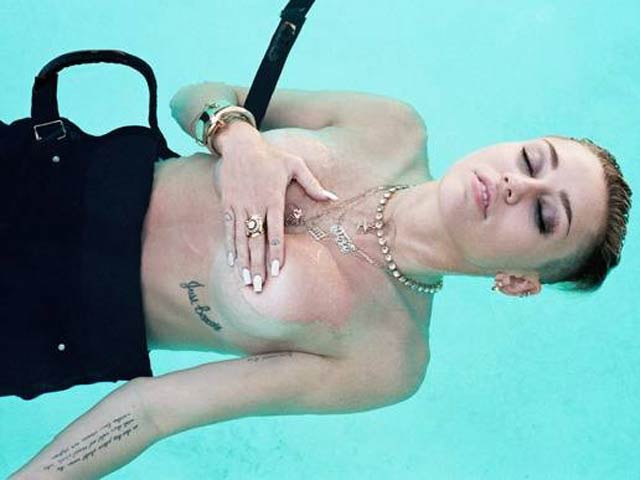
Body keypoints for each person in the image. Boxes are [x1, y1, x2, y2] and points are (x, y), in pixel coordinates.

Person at [10, 82, 632, 479]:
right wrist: (238, 137)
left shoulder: (389, 358)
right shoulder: (392, 126)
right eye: (532, 159)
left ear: (519, 281)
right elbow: (190, 97)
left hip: (38, 318)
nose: (518, 184)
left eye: (545, 216)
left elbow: (153, 412)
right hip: (43, 173)